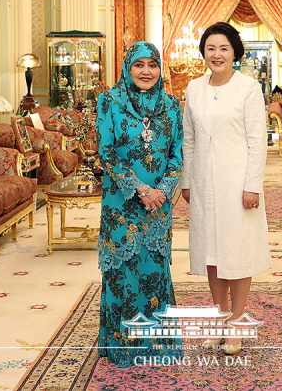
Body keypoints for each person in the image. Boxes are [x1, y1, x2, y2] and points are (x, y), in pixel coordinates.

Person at [180, 22, 270, 355]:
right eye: (210, 48)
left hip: (237, 182)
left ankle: (236, 322)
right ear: (203, 53)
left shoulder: (248, 88)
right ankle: (218, 317)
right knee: (211, 253)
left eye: (224, 48)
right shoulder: (193, 87)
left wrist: (252, 185)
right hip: (203, 182)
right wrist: (187, 180)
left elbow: (257, 141)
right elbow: (189, 139)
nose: (216, 55)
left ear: (235, 52)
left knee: (237, 252)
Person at [96, 41, 183, 367]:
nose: (146, 71)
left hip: (158, 205)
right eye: (139, 65)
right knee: (122, 272)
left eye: (152, 65)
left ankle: (158, 345)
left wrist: (162, 190)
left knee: (154, 271)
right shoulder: (109, 101)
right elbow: (107, 152)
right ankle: (124, 348)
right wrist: (140, 189)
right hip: (121, 205)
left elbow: (178, 154)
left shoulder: (173, 106)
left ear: (160, 69)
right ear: (127, 67)